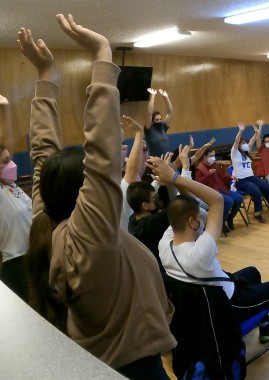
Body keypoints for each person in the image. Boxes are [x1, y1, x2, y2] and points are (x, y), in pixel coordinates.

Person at [20, 17, 175, 378]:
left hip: (100, 360)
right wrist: (103, 57)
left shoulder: (47, 221)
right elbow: (102, 155)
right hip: (133, 366)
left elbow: (43, 152)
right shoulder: (89, 242)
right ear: (86, 194)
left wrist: (45, 76)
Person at [149, 155, 269, 326]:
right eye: (198, 217)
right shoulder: (201, 252)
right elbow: (217, 201)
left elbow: (182, 205)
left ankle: (264, 325)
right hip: (231, 304)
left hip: (213, 295)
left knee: (252, 272)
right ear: (191, 222)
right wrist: (174, 177)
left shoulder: (165, 244)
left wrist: (174, 181)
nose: (202, 218)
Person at [0, 95, 32, 301]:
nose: (11, 164)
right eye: (5, 161)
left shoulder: (10, 185)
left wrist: (5, 109)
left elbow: (5, 144)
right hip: (15, 264)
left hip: (33, 255)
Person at [230, 122, 269, 222]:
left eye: (245, 143)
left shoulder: (246, 152)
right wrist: (240, 131)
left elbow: (253, 140)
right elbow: (236, 142)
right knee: (256, 191)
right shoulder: (235, 152)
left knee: (267, 187)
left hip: (251, 177)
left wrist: (256, 132)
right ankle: (257, 213)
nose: (245, 145)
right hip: (242, 181)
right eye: (243, 144)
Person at [195, 147, 245, 231]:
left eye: (214, 155)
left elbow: (222, 177)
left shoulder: (215, 165)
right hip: (212, 192)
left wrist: (230, 177)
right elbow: (198, 184)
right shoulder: (199, 168)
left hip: (222, 189)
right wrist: (208, 174)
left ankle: (230, 218)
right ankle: (220, 223)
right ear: (204, 157)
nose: (213, 158)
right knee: (229, 202)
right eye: (211, 156)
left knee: (239, 198)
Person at [144, 87, 174, 158]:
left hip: (167, 159)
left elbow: (170, 113)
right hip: (156, 160)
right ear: (152, 121)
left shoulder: (163, 127)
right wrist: (153, 95)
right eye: (157, 120)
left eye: (160, 119)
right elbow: (149, 112)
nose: (159, 121)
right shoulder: (148, 129)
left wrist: (166, 97)